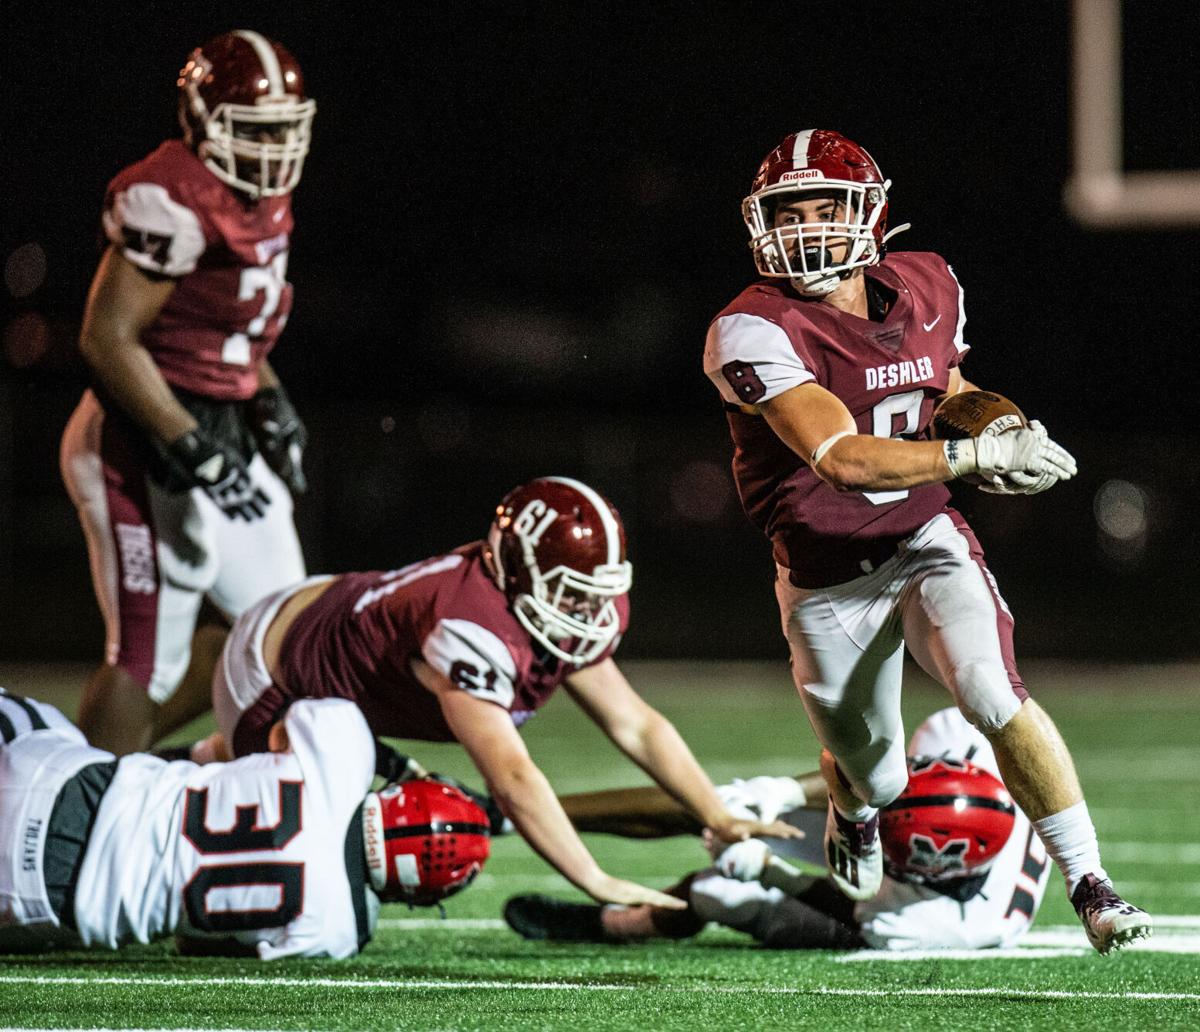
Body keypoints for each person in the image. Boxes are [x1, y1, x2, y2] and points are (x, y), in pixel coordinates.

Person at [698, 129, 1148, 953]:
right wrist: (974, 454)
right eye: (785, 212)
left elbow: (948, 387)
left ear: (868, 214)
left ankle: (1092, 885)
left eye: (823, 208)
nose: (803, 228)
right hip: (826, 573)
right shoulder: (750, 328)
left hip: (924, 532)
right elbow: (842, 458)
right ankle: (855, 812)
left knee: (991, 691)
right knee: (875, 772)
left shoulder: (929, 282)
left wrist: (1001, 423)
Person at [193, 475, 799, 912]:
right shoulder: (469, 627)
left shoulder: (538, 603)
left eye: (598, 590)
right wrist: (594, 878)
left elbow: (635, 724)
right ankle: (205, 773)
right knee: (403, 838)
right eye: (572, 592)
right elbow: (511, 776)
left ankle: (203, 762)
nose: (590, 610)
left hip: (326, 619)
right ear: (518, 574)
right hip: (274, 679)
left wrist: (715, 814)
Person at [59, 30, 315, 756]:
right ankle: (79, 815)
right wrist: (188, 446)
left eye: (281, 132)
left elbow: (229, 334)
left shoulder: (259, 199)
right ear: (204, 122)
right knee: (148, 655)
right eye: (254, 131)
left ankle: (123, 760)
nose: (271, 151)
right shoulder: (171, 197)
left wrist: (270, 402)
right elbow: (106, 339)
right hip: (142, 441)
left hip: (221, 430)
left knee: (283, 631)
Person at [504, 708, 1053, 952]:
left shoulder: (953, 922)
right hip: (912, 846)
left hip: (878, 918)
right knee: (727, 807)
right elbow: (864, 775)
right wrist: (780, 793)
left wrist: (772, 873)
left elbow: (857, 909)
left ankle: (626, 923)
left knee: (720, 894)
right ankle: (516, 811)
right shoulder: (965, 740)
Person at [0, 687, 489, 958]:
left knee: (35, 721)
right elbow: (194, 943)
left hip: (59, 785)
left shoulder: (343, 750)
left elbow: (280, 727)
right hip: (44, 906)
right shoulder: (338, 931)